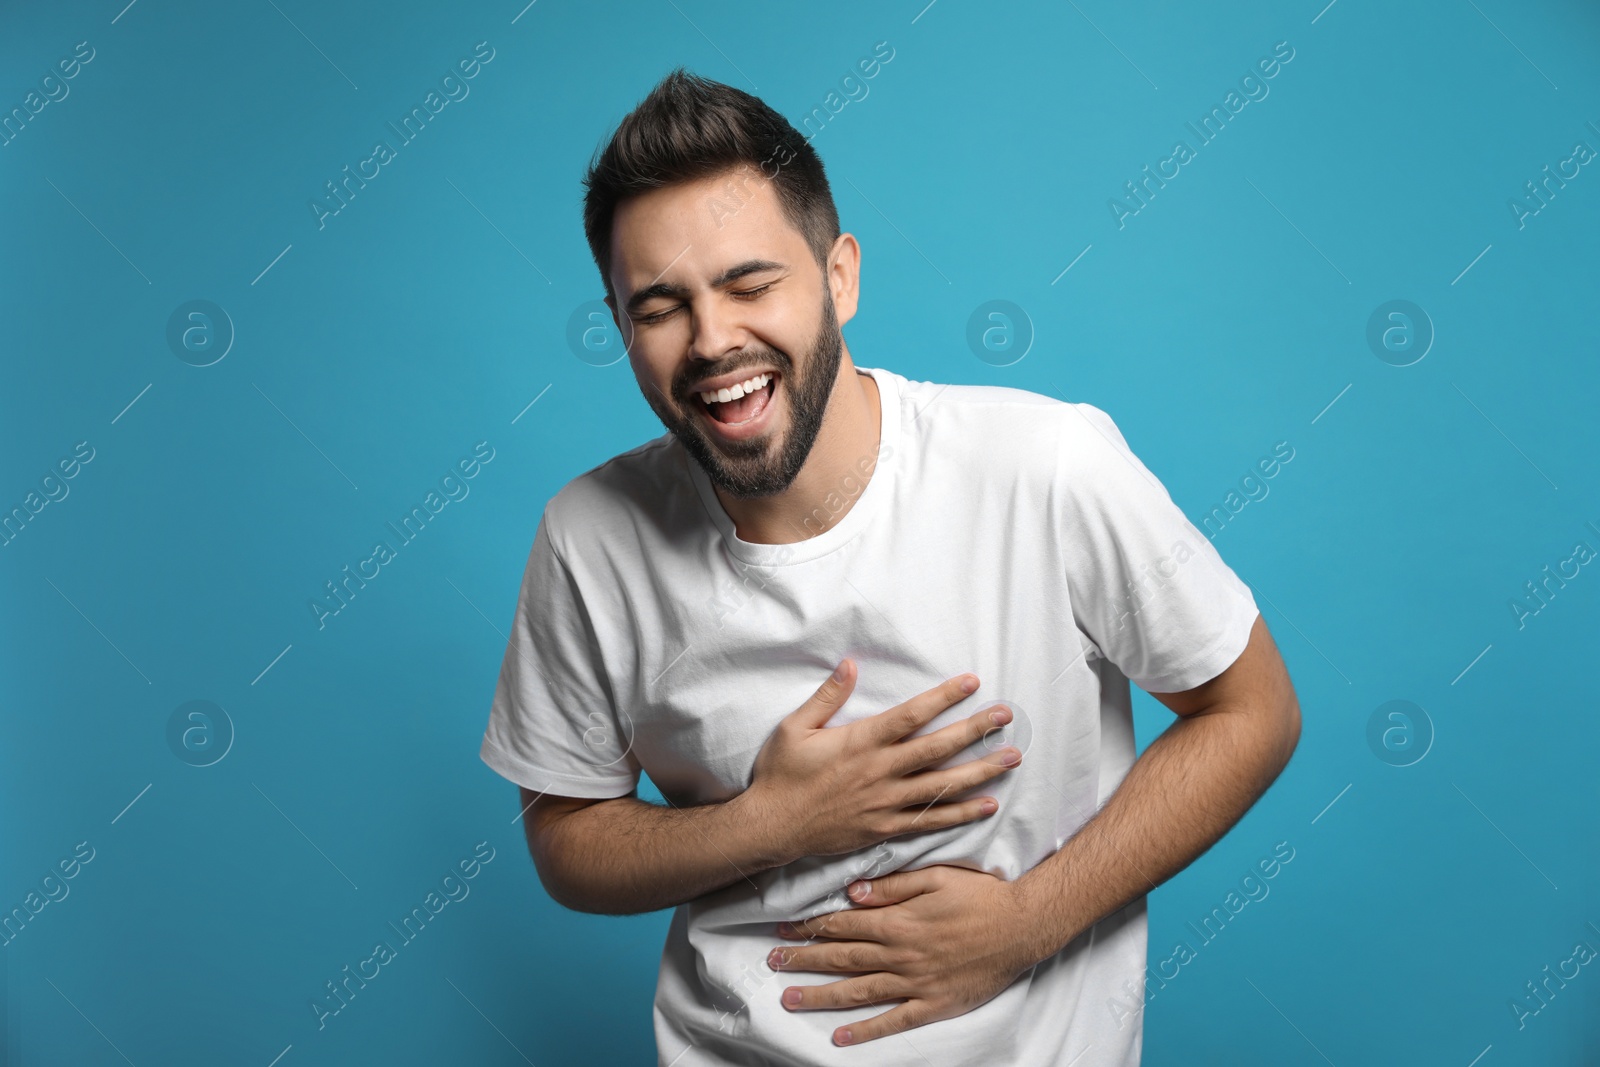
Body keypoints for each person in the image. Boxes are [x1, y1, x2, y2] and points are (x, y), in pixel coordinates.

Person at [479, 68, 1301, 1066]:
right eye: (659, 305)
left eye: (749, 283)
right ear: (620, 327)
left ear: (838, 276)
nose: (712, 339)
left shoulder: (1044, 467)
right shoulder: (588, 536)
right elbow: (567, 836)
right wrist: (769, 821)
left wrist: (1028, 921)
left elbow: (1250, 709)